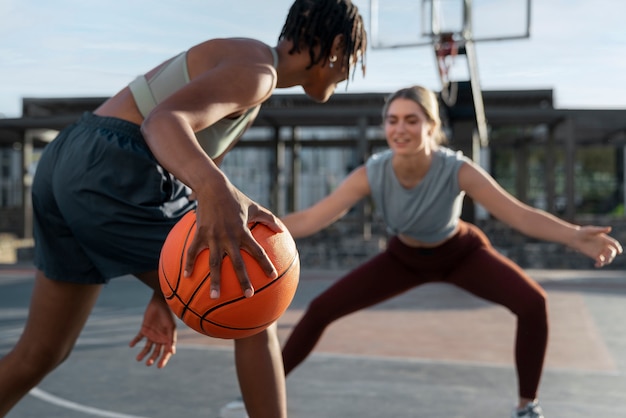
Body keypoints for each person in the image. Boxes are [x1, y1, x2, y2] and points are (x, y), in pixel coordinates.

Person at [0, 1, 367, 417]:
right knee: (256, 303)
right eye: (353, 59)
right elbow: (160, 123)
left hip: (72, 159)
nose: (348, 73)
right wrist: (218, 187)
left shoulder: (246, 68)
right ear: (337, 46)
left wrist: (165, 293)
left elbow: (191, 178)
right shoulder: (257, 72)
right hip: (114, 164)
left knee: (41, 351)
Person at [279, 85, 623, 418]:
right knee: (321, 308)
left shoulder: (456, 169)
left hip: (460, 254)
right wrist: (251, 228)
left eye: (411, 120)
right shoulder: (372, 173)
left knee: (533, 303)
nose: (400, 129)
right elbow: (311, 218)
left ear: (432, 126)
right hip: (404, 259)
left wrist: (575, 235)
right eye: (393, 120)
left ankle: (526, 406)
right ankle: (267, 386)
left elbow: (517, 213)